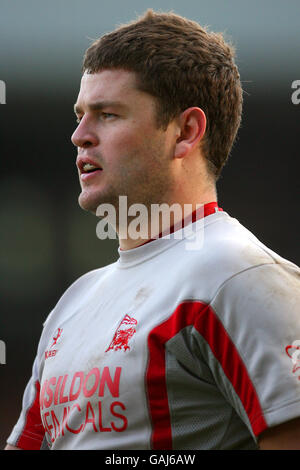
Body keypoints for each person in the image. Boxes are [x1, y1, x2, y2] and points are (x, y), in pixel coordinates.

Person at [5, 9, 300, 450]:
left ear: (186, 132)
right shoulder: (73, 304)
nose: (79, 135)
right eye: (79, 114)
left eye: (107, 114)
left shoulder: (238, 277)